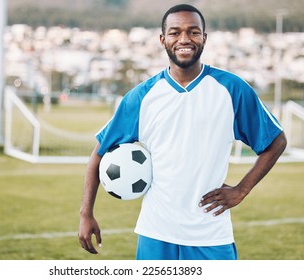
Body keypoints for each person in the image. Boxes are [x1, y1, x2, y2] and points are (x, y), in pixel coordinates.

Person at [78, 4, 287, 260]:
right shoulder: (141, 98)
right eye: (175, 32)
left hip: (211, 233)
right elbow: (98, 154)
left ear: (204, 38)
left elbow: (276, 141)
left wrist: (242, 189)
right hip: (155, 232)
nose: (184, 39)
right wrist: (86, 213)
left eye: (193, 32)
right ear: (162, 39)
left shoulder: (231, 90)